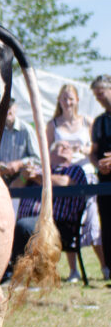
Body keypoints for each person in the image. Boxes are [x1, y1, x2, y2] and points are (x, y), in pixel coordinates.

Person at [46, 83, 105, 281]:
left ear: (77, 100)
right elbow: (47, 152)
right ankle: (73, 270)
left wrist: (83, 149)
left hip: (87, 175)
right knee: (67, 218)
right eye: (64, 98)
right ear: (59, 101)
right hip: (64, 178)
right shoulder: (53, 124)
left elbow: (93, 149)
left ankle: (104, 266)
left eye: (70, 98)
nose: (67, 102)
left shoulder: (88, 121)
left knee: (93, 220)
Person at [5, 140, 87, 282]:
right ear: (49, 153)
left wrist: (38, 177)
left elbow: (64, 182)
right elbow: (13, 188)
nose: (66, 148)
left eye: (68, 147)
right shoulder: (36, 170)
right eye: (60, 146)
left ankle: (13, 273)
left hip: (57, 224)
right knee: (6, 226)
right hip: (27, 223)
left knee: (24, 227)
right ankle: (2, 272)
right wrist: (24, 176)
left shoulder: (74, 169)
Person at [91, 74, 111, 283]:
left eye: (102, 93)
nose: (100, 98)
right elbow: (93, 151)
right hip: (104, 181)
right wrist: (99, 164)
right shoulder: (99, 122)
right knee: (106, 224)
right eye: (97, 96)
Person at [0, 97, 41, 187]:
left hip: (22, 179)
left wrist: (19, 164)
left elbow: (37, 159)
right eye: (4, 108)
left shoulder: (26, 129)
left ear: (15, 108)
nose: (7, 111)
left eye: (9, 107)